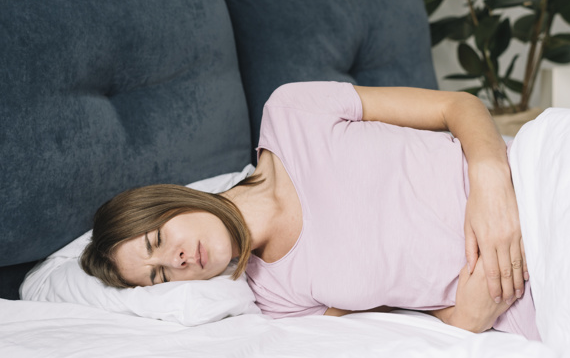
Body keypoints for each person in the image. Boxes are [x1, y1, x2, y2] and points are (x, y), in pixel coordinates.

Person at [81, 81, 539, 340]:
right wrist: (463, 321)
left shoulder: (291, 113)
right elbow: (399, 322)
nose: (177, 260)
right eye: (160, 276)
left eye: (158, 240)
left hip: (536, 185)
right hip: (527, 300)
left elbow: (457, 105)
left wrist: (491, 184)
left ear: (171, 202)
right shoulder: (278, 302)